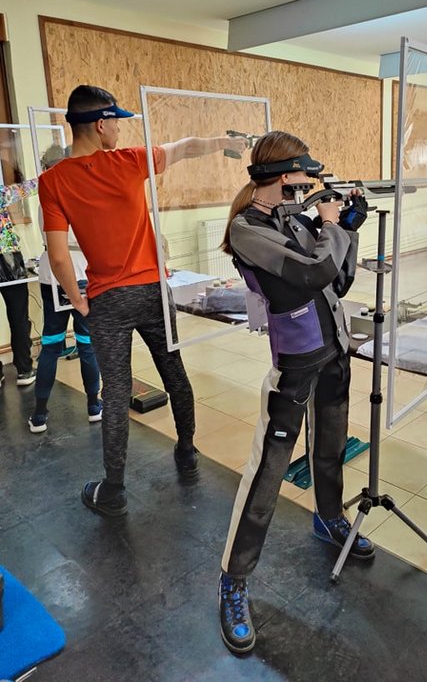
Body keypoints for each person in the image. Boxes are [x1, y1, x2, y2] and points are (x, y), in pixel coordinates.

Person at [39, 85, 247, 517]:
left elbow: (58, 257)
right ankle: (186, 451)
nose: (119, 129)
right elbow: (186, 147)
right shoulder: (130, 161)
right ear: (100, 125)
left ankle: (113, 491)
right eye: (116, 122)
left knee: (116, 393)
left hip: (106, 300)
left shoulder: (52, 181)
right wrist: (224, 143)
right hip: (152, 290)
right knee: (174, 372)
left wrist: (78, 301)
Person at [218, 130, 373, 655]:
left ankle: (329, 517)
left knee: (331, 445)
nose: (311, 183)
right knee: (268, 470)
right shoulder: (247, 229)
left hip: (334, 350)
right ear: (285, 176)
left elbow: (339, 280)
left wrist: (347, 227)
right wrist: (330, 225)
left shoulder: (293, 220)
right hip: (295, 361)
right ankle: (234, 579)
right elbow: (312, 272)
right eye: (305, 174)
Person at [28, 144, 102, 434]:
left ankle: (39, 415)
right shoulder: (81, 193)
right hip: (81, 272)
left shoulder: (44, 198)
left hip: (52, 275)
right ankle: (94, 406)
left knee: (51, 344)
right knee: (86, 343)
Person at [0, 168, 37, 388]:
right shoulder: (2, 194)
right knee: (18, 316)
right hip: (8, 258)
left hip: (8, 258)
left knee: (18, 316)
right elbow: (25, 189)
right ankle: (24, 369)